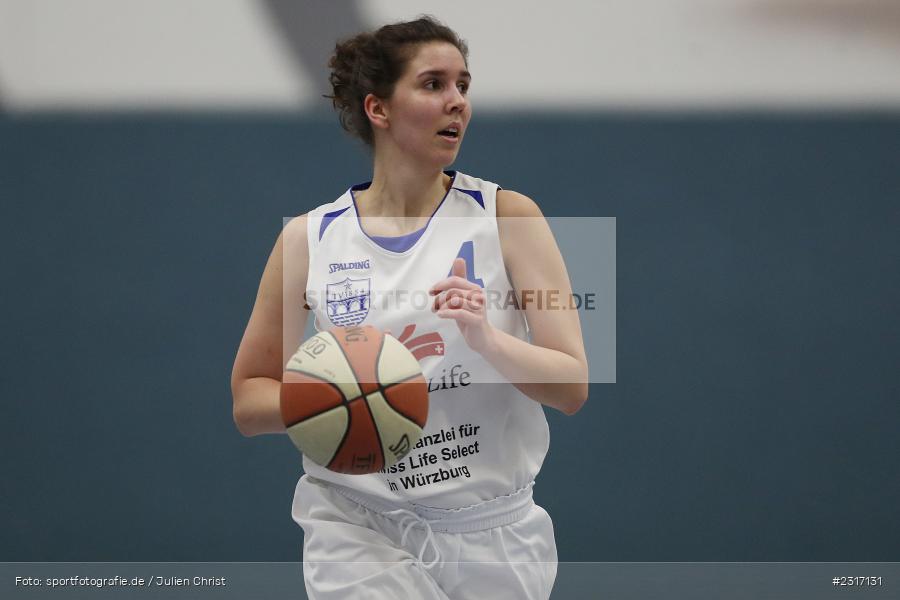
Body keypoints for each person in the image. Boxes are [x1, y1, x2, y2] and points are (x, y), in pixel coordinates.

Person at [231, 16, 588, 600]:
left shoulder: (510, 216)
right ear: (379, 108)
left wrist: (487, 339)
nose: (457, 103)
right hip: (355, 523)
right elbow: (249, 398)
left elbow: (573, 386)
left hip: (492, 533)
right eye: (433, 84)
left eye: (464, 86)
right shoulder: (308, 238)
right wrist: (339, 401)